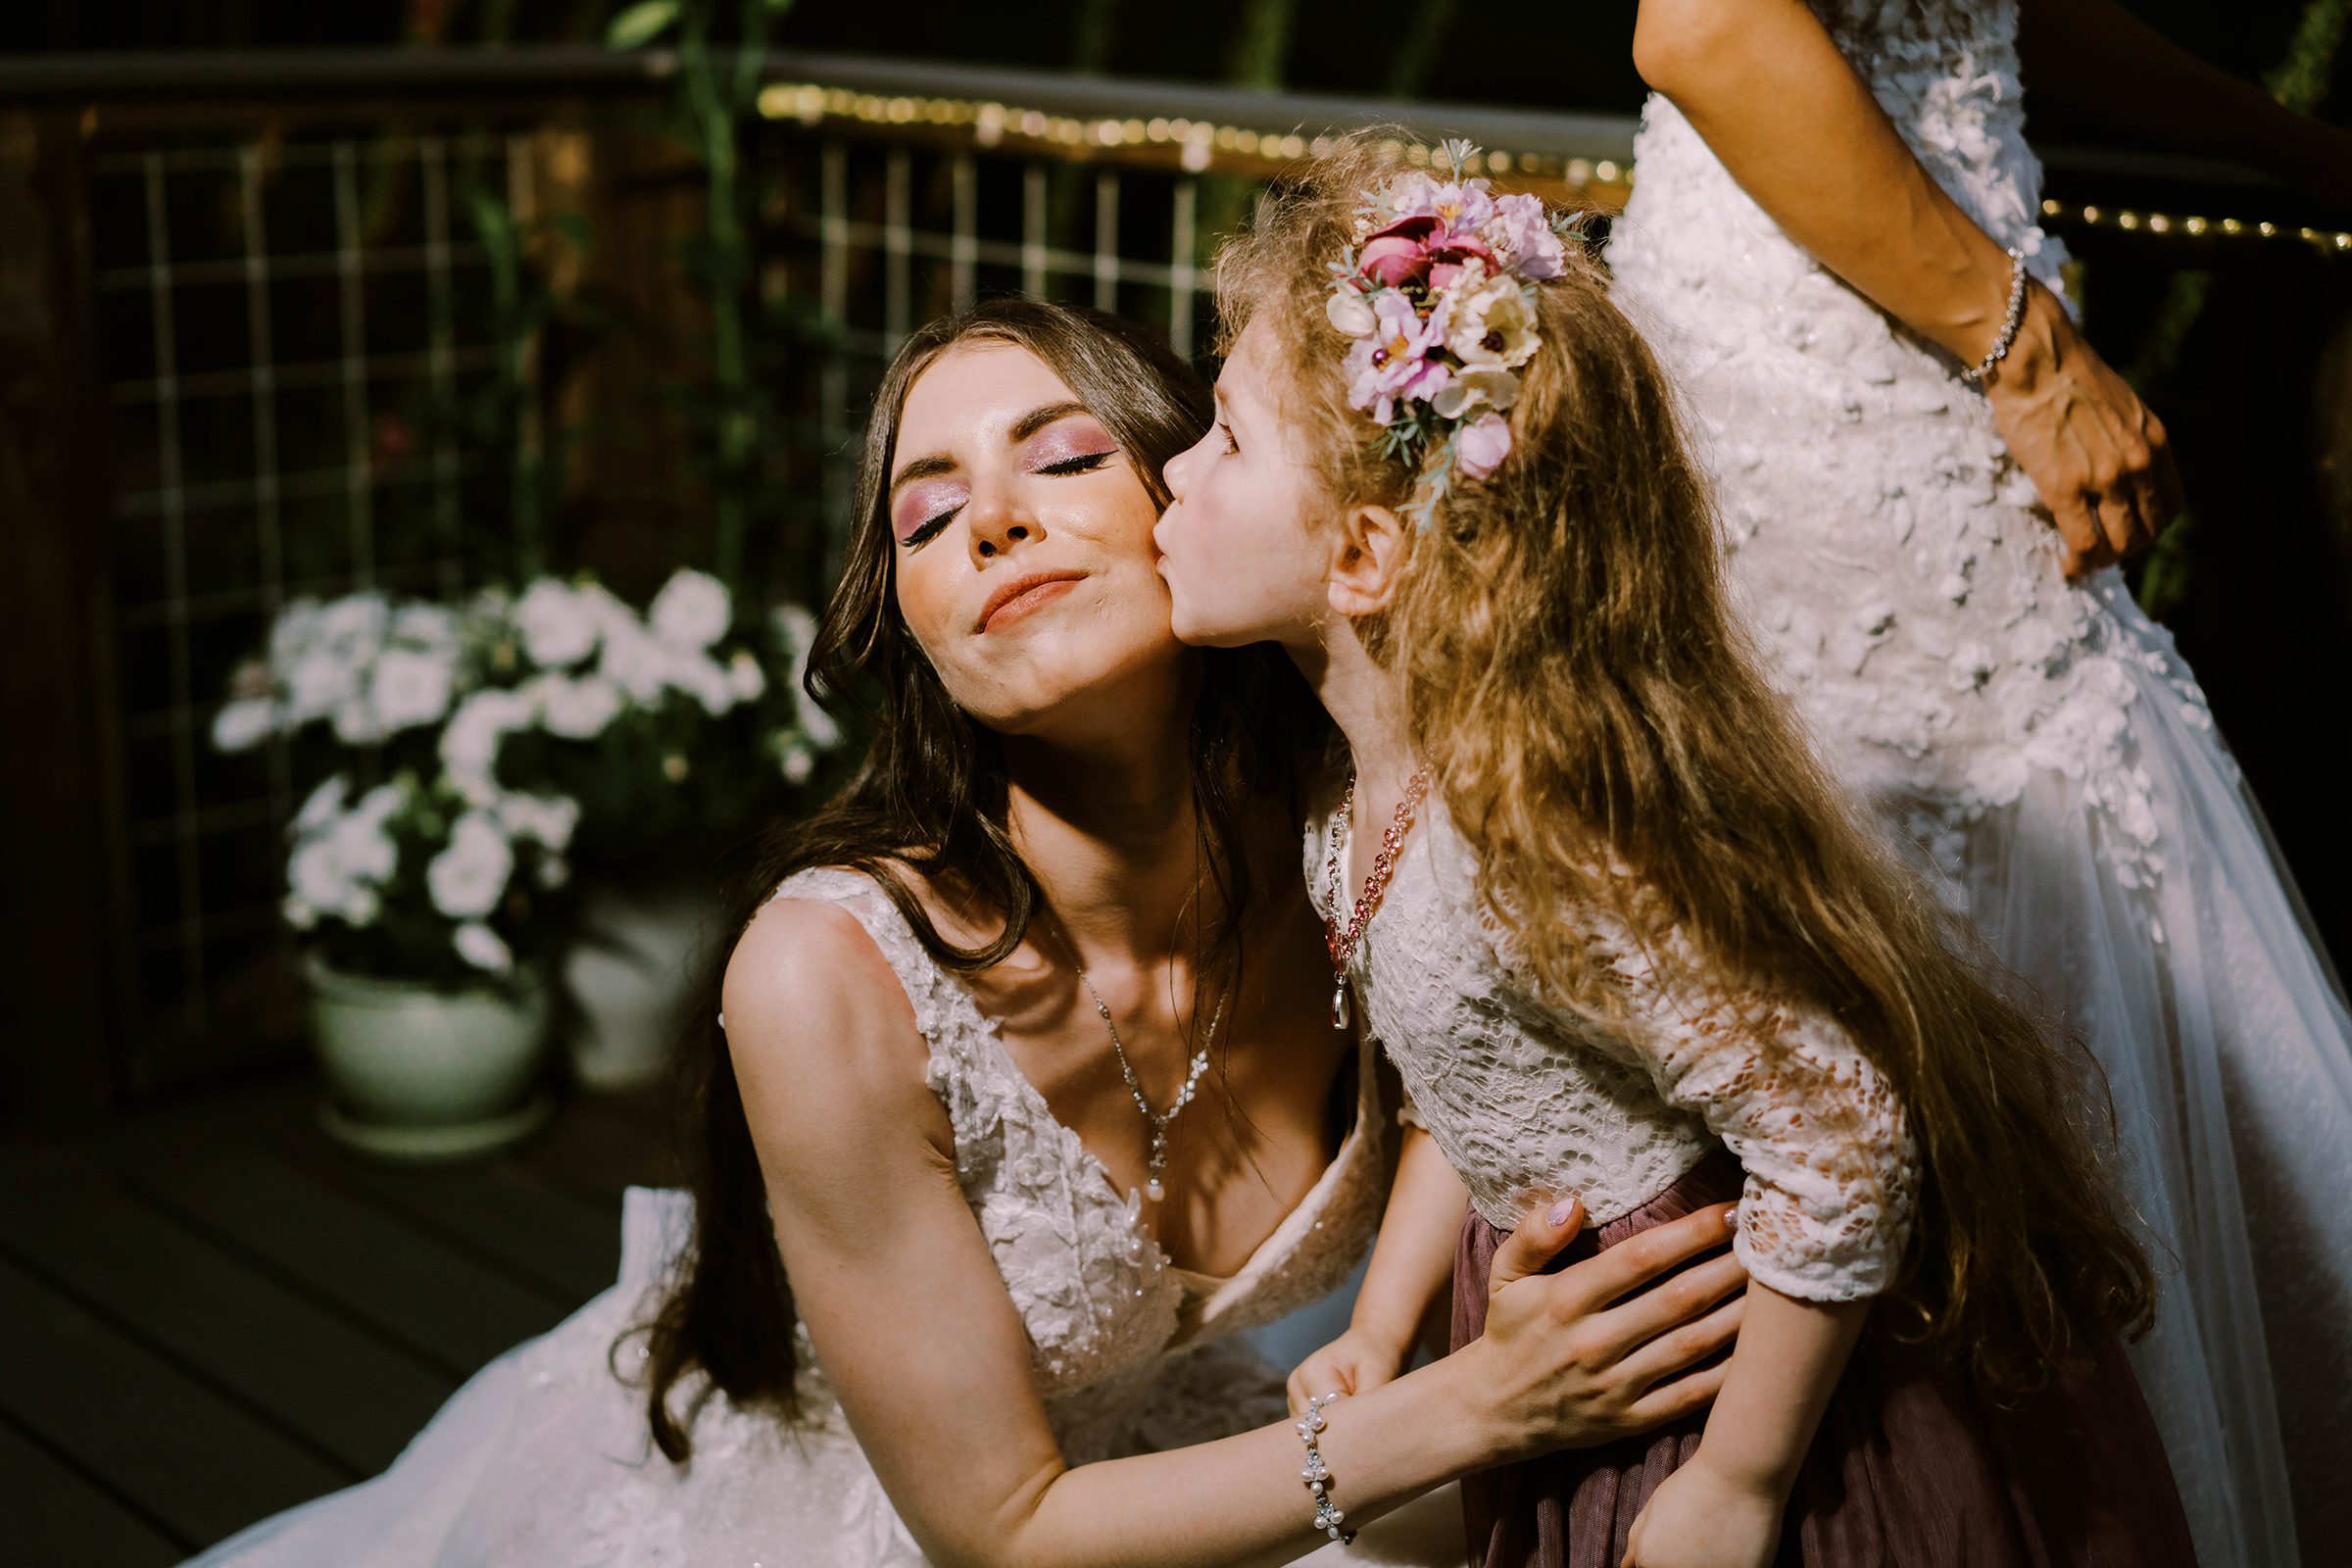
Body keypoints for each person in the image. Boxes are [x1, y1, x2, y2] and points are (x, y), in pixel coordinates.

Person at [177, 297, 1753, 1568]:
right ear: (911, 635)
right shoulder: (824, 978)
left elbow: (1451, 1058)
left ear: (1195, 500)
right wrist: (1475, 1405)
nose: (988, 525)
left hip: (1223, 1458)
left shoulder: (1356, 813)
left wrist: (1415, 1322)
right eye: (925, 518)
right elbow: (1000, 1531)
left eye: (1061, 458)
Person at [1152, 135, 2194, 1568]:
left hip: (1745, 1384)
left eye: (1224, 439)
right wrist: (1385, 1332)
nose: (1173, 470)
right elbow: (1479, 1098)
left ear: (1366, 561)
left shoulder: (1528, 842)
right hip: (1584, 1349)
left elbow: (1838, 1127)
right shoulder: (1359, 798)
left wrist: (1741, 1485)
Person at [1606, 3, 2352, 1561]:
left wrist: (2285, 145)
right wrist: (2032, 349)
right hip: (1839, 366)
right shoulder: (2006, 343)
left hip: (1942, 309)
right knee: (1910, 900)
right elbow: (1710, 24)